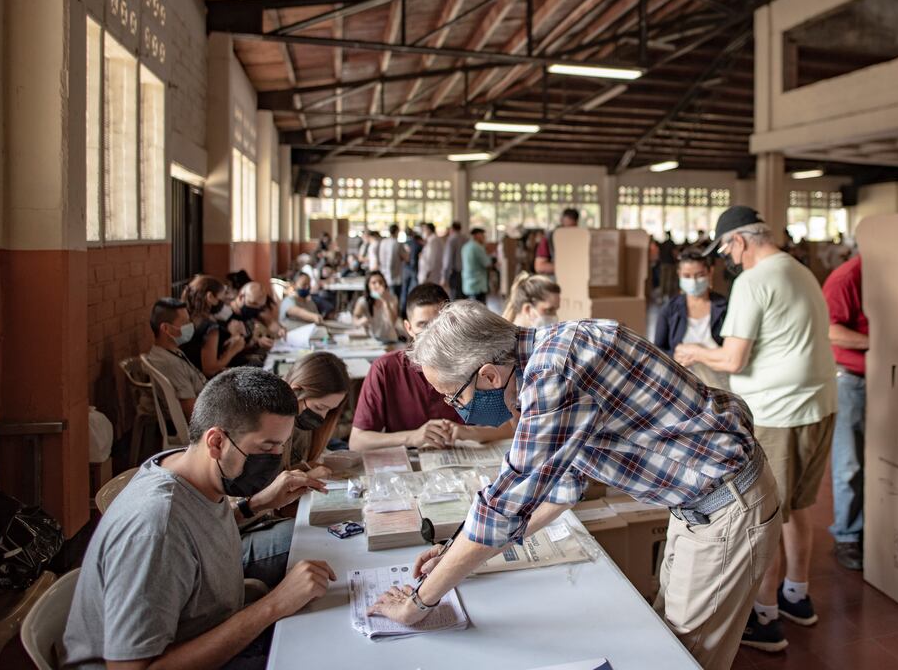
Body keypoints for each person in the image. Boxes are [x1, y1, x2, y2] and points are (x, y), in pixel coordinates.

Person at [378, 303, 780, 670]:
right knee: (669, 637)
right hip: (701, 503)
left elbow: (502, 507)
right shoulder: (553, 351)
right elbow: (559, 490)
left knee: (684, 658)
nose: (456, 409)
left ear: (487, 374)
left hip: (723, 507)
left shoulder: (552, 373)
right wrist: (456, 549)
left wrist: (418, 603)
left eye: (455, 397)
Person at [62, 368, 336, 669]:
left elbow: (195, 531)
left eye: (281, 445)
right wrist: (273, 606)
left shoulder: (189, 467)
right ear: (216, 441)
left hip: (204, 625)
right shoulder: (155, 529)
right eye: (267, 447)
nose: (275, 458)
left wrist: (255, 504)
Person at [674, 206, 835, 652]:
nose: (728, 258)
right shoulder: (800, 271)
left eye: (726, 248)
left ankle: (765, 620)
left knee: (764, 517)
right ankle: (796, 597)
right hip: (819, 407)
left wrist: (693, 351)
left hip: (778, 414)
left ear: (739, 241)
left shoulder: (752, 281)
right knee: (799, 508)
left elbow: (733, 359)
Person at [349, 284, 509, 450]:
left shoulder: (475, 363)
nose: (432, 334)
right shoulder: (384, 369)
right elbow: (357, 442)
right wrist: (411, 437)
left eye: (438, 324)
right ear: (408, 328)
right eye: (423, 326)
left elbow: (511, 425)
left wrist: (469, 432)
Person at [822, 255, 868, 571]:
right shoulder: (847, 277)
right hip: (851, 379)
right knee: (849, 461)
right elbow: (831, 329)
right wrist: (878, 343)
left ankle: (868, 528)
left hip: (887, 377)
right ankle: (847, 536)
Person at [653, 250, 728, 390]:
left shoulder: (725, 307)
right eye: (687, 276)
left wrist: (700, 353)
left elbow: (732, 351)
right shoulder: (669, 310)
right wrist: (675, 355)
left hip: (720, 382)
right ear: (679, 274)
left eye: (699, 275)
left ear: (710, 272)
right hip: (683, 384)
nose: (693, 281)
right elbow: (657, 351)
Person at [282, 352, 351, 470]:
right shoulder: (270, 424)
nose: (323, 417)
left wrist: (306, 468)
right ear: (296, 391)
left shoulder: (303, 423)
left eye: (329, 410)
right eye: (319, 407)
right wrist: (306, 476)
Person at [144, 297, 208, 420]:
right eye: (184, 323)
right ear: (165, 328)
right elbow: (192, 412)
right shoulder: (169, 364)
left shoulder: (173, 351)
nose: (190, 326)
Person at [181, 275, 245, 377]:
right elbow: (210, 369)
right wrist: (233, 350)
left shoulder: (188, 319)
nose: (225, 303)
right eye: (223, 296)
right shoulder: (210, 328)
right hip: (204, 385)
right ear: (210, 297)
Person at [352, 271, 401, 343]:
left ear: (385, 284)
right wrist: (361, 321)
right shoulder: (363, 301)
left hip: (390, 340)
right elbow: (354, 319)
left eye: (381, 282)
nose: (378, 285)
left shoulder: (392, 299)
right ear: (368, 285)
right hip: (372, 340)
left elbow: (393, 322)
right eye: (374, 283)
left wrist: (385, 301)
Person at [533, 207, 580, 275]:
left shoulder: (580, 238)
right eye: (565, 227)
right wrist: (567, 268)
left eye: (572, 227)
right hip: (554, 280)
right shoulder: (548, 238)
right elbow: (540, 267)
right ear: (561, 221)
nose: (568, 231)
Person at [461, 227, 493, 303]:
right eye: (483, 235)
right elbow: (487, 264)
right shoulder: (478, 247)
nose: (484, 237)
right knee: (479, 312)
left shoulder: (465, 246)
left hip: (468, 284)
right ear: (477, 235)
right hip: (478, 285)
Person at [379, 223, 407, 300]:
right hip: (396, 277)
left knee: (385, 298)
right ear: (397, 231)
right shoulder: (397, 243)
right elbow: (406, 258)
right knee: (395, 299)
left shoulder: (383, 242)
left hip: (384, 275)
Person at [401, 226, 424, 316]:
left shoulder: (405, 243)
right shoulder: (417, 244)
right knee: (413, 290)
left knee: (404, 289)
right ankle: (411, 309)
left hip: (406, 268)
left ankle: (403, 311)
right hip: (414, 269)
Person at [442, 221, 467, 300]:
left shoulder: (451, 239)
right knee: (464, 298)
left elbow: (447, 260)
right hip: (466, 272)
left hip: (455, 273)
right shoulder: (466, 238)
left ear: (452, 229)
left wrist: (444, 277)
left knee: (455, 297)